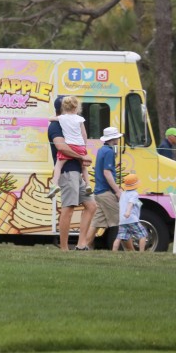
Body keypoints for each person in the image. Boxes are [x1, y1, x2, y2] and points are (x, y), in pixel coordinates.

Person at [48, 96, 96, 251]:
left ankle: (81, 244)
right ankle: (63, 248)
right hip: (68, 172)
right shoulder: (55, 126)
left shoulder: (71, 122)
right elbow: (61, 147)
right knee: (68, 208)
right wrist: (82, 156)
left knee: (91, 205)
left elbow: (83, 136)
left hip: (77, 170)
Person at [81, 126, 124, 250]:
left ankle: (85, 245)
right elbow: (107, 172)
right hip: (106, 193)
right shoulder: (109, 152)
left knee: (96, 222)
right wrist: (117, 191)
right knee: (120, 221)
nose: (118, 139)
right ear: (113, 138)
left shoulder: (101, 150)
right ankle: (129, 249)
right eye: (117, 137)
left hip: (98, 192)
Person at [47, 96, 90, 198]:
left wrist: (54, 118)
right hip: (80, 147)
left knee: (58, 165)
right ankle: (88, 184)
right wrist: (83, 149)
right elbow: (84, 134)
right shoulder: (80, 119)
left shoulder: (61, 119)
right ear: (76, 108)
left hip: (70, 146)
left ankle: (54, 184)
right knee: (84, 166)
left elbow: (50, 118)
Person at [112, 173, 147, 251]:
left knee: (119, 237)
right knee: (143, 234)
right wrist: (128, 212)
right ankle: (142, 253)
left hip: (122, 220)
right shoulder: (134, 194)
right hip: (131, 219)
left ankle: (113, 252)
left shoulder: (123, 194)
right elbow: (130, 203)